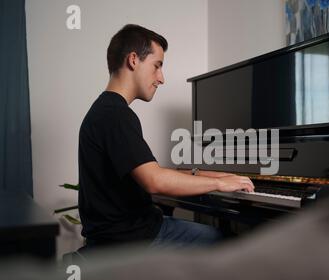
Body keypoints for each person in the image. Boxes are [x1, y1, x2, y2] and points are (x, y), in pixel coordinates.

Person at [78, 24, 254, 250]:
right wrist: (219, 183)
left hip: (122, 233)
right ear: (133, 60)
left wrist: (206, 173)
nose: (161, 78)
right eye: (157, 66)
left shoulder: (105, 110)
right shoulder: (116, 115)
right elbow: (155, 181)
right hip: (131, 239)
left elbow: (150, 170)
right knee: (230, 244)